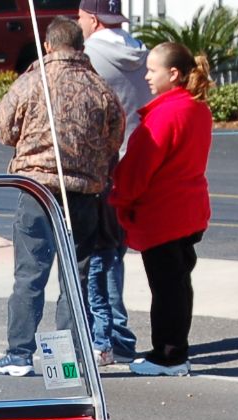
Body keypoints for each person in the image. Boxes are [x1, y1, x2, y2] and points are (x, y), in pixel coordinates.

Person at [0, 16, 123, 377]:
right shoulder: (99, 88)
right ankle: (64, 358)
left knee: (30, 273)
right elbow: (115, 138)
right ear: (80, 46)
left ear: (48, 46)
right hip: (83, 194)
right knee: (73, 277)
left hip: (36, 190)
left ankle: (19, 354)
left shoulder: (32, 82)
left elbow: (1, 128)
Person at [111, 42, 213, 376]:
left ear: (173, 73)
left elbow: (136, 172)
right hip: (188, 210)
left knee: (167, 287)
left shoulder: (165, 116)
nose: (147, 76)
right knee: (179, 283)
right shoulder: (197, 108)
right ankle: (174, 349)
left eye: (153, 70)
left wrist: (118, 200)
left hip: (164, 214)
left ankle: (169, 355)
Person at [77, 0, 149, 368]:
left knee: (96, 259)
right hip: (137, 161)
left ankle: (105, 337)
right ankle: (120, 335)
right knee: (115, 254)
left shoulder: (87, 56)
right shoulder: (143, 54)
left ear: (91, 19)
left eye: (80, 17)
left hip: (103, 163)